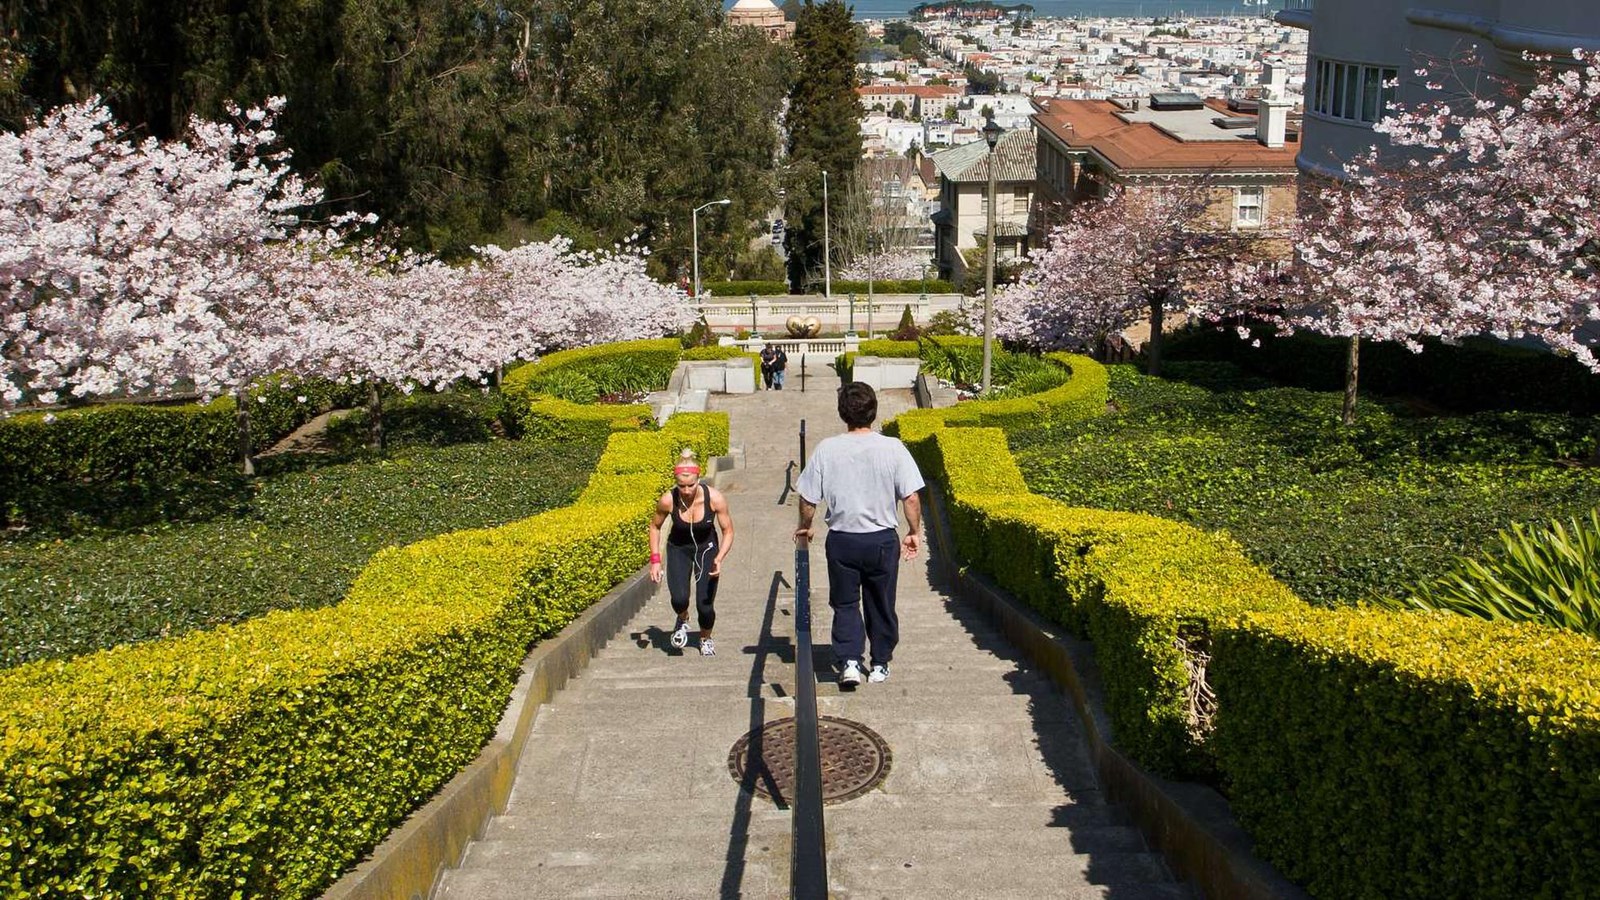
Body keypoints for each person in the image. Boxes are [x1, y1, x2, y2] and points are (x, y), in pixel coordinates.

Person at [794, 382, 924, 688]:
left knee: (845, 602)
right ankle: (879, 662)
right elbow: (912, 497)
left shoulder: (827, 448)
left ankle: (850, 660)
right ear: (873, 411)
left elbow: (808, 498)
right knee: (881, 601)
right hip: (881, 538)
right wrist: (914, 531)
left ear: (843, 414)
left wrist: (806, 525)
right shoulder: (893, 448)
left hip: (843, 539)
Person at [649, 449, 734, 656]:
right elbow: (654, 527)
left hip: (707, 549)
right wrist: (655, 560)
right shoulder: (668, 500)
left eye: (691, 485)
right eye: (681, 486)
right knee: (679, 599)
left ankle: (705, 638)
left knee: (705, 606)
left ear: (699, 479)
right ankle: (683, 617)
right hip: (679, 548)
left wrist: (720, 557)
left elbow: (728, 531)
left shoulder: (714, 498)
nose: (686, 491)